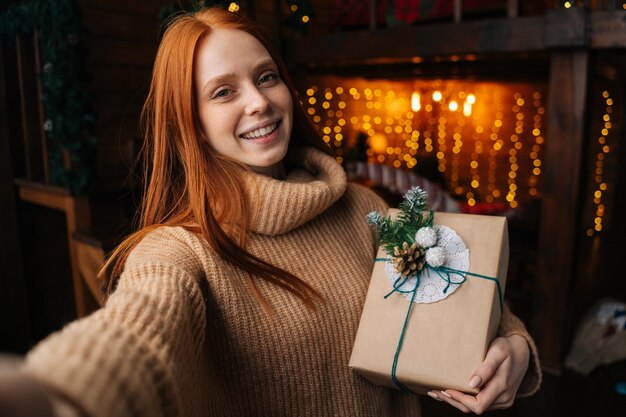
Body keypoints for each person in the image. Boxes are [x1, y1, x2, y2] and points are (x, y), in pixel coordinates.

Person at [0, 7, 541, 417]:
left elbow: (460, 284)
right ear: (189, 121)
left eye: (265, 77)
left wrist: (515, 344)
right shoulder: (177, 251)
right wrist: (54, 392)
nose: (257, 102)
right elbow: (135, 337)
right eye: (223, 92)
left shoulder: (364, 207)